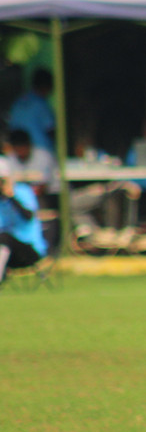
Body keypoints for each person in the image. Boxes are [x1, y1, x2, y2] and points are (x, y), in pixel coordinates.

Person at [0, 157, 47, 285]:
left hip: (29, 249)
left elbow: (28, 216)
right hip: (6, 250)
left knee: (4, 237)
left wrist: (11, 197)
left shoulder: (22, 192)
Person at [3, 129, 60, 209]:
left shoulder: (43, 156)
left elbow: (43, 186)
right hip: (22, 196)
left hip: (51, 194)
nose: (20, 151)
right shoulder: (9, 158)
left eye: (22, 147)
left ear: (29, 145)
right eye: (17, 148)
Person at [7, 68, 56, 153]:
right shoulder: (40, 104)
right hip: (40, 151)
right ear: (46, 86)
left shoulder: (18, 102)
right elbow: (51, 130)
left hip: (18, 152)